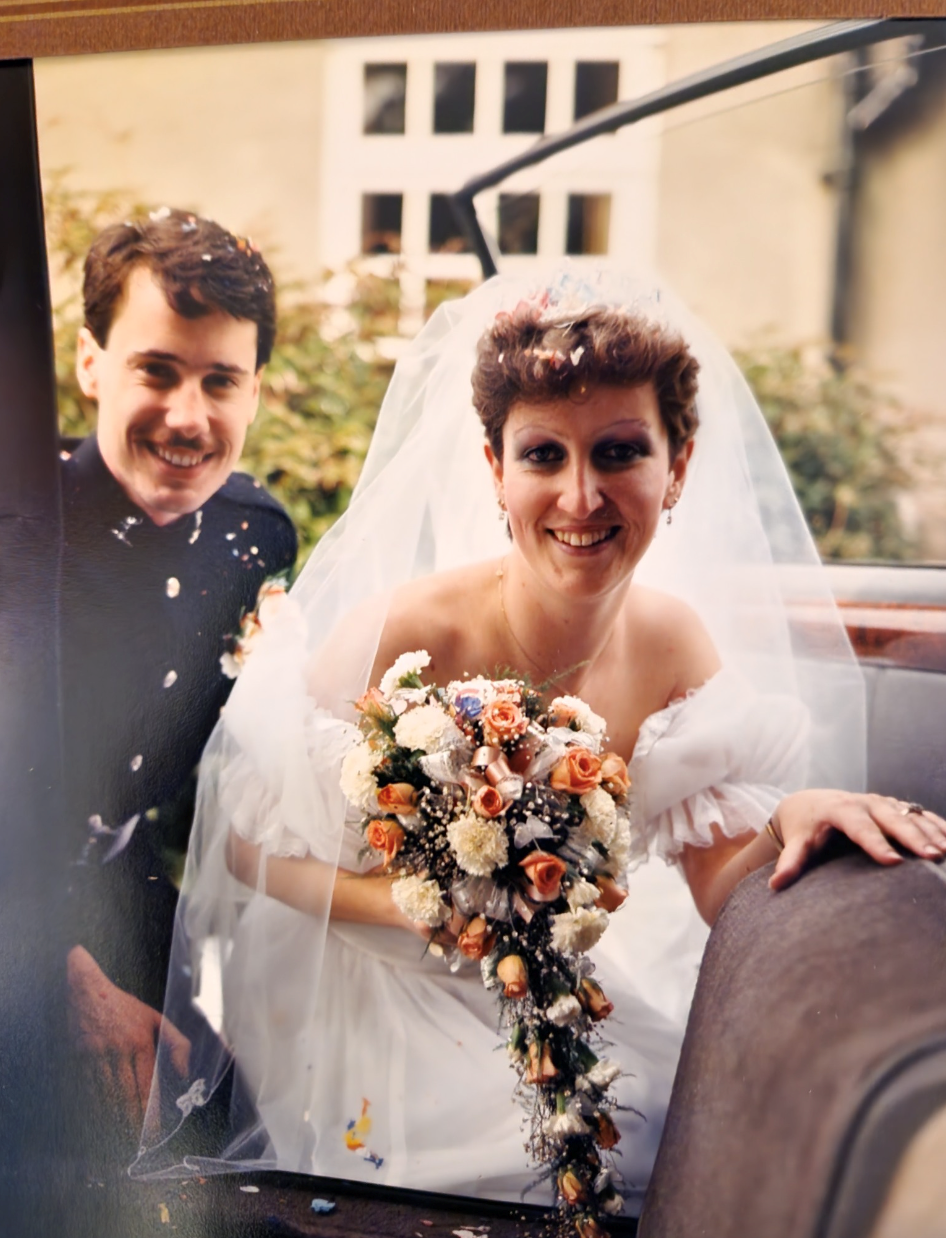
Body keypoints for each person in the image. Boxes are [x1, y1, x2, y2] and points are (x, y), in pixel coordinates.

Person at [136, 266, 945, 1214]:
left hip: (561, 981)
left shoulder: (677, 644)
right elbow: (248, 849)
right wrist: (417, 911)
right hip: (376, 999)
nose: (581, 497)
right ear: (495, 471)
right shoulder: (402, 635)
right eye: (543, 457)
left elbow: (720, 883)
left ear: (676, 468)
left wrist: (791, 821)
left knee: (638, 1129)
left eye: (618, 452)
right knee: (487, 1157)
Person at [60, 207, 297, 1156]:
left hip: (133, 897)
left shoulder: (256, 535)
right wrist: (68, 983)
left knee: (254, 1108)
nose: (190, 417)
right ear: (91, 364)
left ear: (254, 392)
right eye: (156, 370)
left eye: (220, 381)